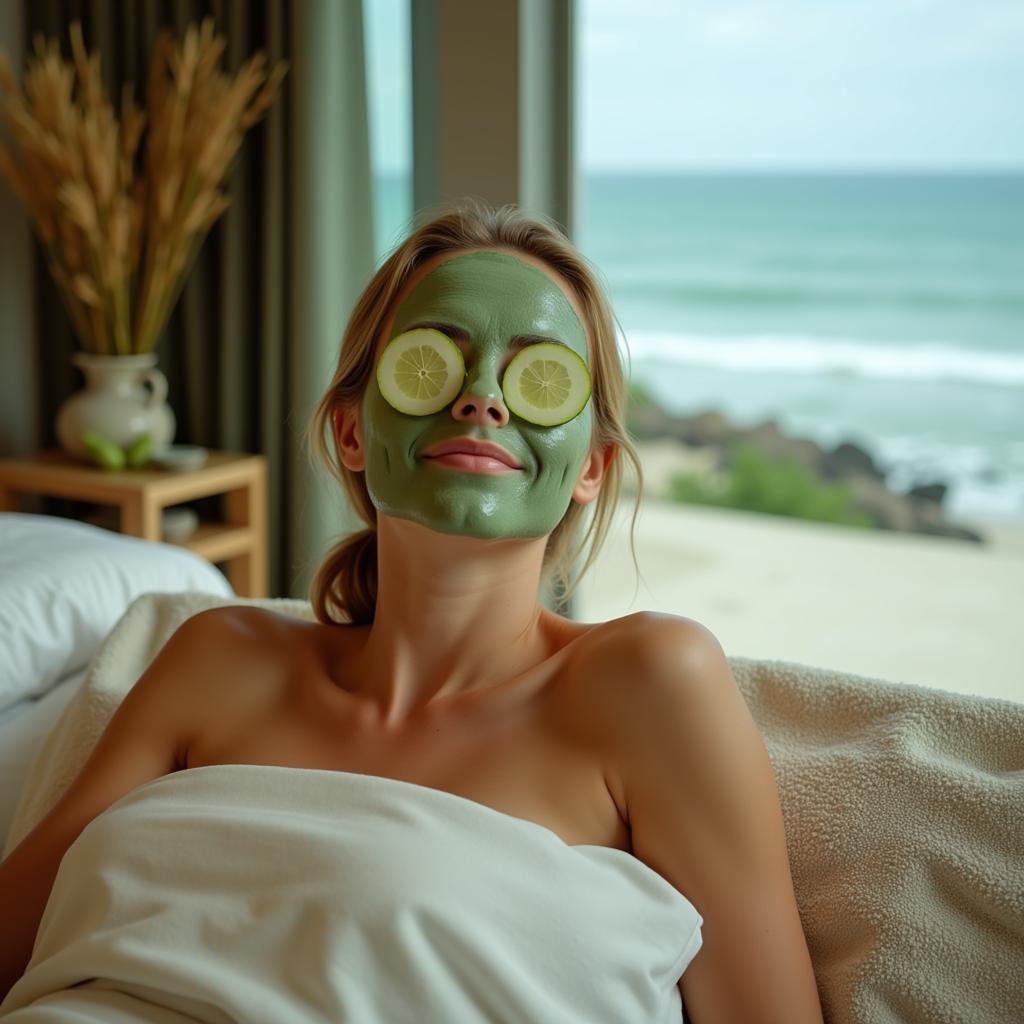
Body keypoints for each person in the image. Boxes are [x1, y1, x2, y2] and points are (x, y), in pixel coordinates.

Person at [1, 199, 823, 1022]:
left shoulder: (650, 683)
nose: (483, 400)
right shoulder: (215, 653)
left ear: (592, 467)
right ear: (353, 430)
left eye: (539, 377)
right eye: (433, 364)